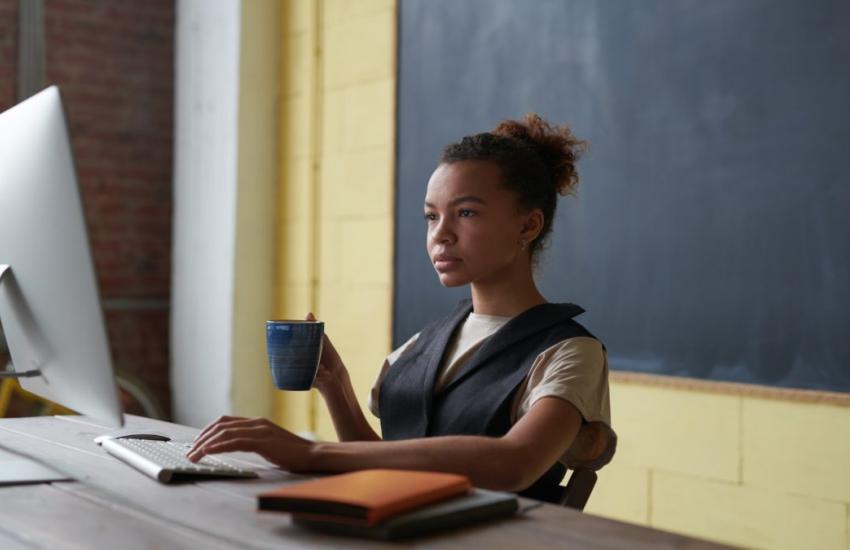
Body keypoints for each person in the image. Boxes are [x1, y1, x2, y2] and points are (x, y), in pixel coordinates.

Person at [187, 114, 615, 503]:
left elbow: (515, 462)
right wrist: (337, 387)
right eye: (431, 217)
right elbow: (382, 461)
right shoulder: (427, 340)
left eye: (465, 212)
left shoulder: (570, 351)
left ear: (528, 225)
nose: (440, 235)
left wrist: (312, 453)